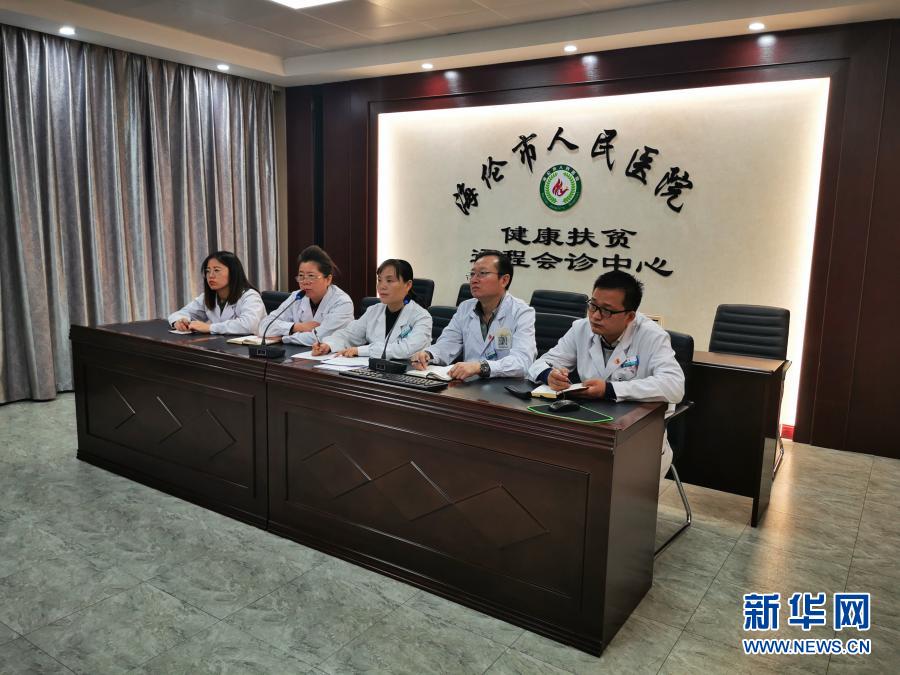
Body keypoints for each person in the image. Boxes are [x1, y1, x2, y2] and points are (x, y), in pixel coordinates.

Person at [527, 270, 684, 481]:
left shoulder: (652, 336)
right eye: (593, 305)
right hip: (591, 429)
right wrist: (549, 374)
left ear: (630, 316)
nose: (595, 316)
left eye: (607, 311)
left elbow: (674, 386)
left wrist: (609, 389)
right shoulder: (581, 328)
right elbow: (540, 363)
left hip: (638, 436)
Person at [410, 250, 536, 380]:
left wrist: (480, 367)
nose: (474, 280)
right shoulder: (465, 308)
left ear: (504, 280)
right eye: (472, 274)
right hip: (470, 384)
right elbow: (448, 343)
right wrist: (428, 354)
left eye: (482, 273)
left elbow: (522, 361)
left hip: (505, 387)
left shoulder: (522, 312)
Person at [311, 259, 431, 359]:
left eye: (389, 281)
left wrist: (360, 350)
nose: (382, 286)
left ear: (408, 285)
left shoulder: (422, 317)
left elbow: (406, 349)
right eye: (379, 280)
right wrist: (328, 345)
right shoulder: (374, 311)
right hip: (373, 372)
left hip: (406, 374)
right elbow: (349, 335)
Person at [257, 245, 353, 345]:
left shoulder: (342, 302)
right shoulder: (297, 297)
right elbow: (264, 327)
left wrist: (282, 338)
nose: (305, 282)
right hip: (297, 352)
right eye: (301, 276)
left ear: (328, 279)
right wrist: (296, 327)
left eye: (311, 276)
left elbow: (319, 337)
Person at [168, 251, 265, 334]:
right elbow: (182, 313)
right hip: (221, 346)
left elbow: (249, 325)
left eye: (216, 270)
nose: (211, 275)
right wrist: (179, 322)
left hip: (249, 347)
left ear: (233, 273)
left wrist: (210, 328)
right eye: (208, 271)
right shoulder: (209, 297)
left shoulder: (250, 296)